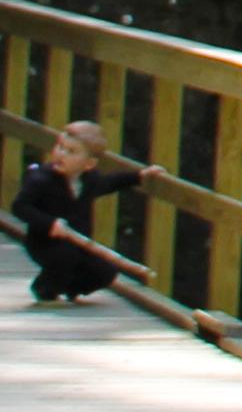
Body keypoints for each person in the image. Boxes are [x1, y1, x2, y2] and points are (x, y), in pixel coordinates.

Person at [9, 121, 146, 304]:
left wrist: (139, 176)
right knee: (65, 256)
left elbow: (110, 183)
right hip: (44, 242)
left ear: (88, 164)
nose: (61, 154)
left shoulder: (89, 180)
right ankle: (44, 289)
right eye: (60, 147)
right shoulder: (41, 179)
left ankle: (70, 287)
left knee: (106, 272)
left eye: (71, 151)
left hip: (79, 243)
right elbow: (20, 207)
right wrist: (50, 223)